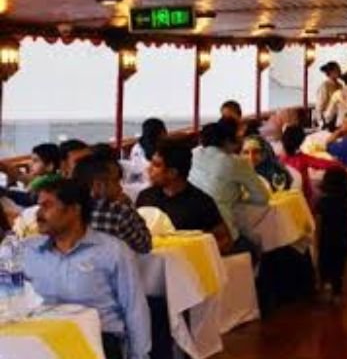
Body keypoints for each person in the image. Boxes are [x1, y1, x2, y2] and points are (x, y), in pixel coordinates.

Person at [24, 179, 150, 359]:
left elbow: (134, 307)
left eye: (47, 206)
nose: (39, 214)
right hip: (42, 340)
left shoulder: (112, 250)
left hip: (98, 340)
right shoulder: (29, 251)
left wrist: (140, 355)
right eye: (38, 206)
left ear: (75, 210)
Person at [137, 139, 234, 251]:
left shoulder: (200, 202)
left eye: (156, 165)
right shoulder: (145, 197)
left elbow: (225, 240)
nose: (149, 169)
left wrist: (193, 251)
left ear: (172, 173)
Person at [189, 120, 270, 243]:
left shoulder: (193, 154)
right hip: (221, 232)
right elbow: (262, 197)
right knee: (255, 242)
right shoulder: (234, 162)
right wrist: (240, 198)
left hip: (189, 228)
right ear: (227, 141)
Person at [72, 155, 152, 253]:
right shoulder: (118, 211)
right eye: (116, 181)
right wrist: (130, 206)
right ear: (97, 185)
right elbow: (144, 245)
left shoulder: (69, 210)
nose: (120, 188)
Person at [315, 167, 347, 299]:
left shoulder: (322, 202)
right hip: (343, 237)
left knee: (324, 262)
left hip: (326, 238)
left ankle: (324, 285)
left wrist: (316, 239)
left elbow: (318, 223)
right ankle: (337, 292)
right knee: (339, 266)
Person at [280, 126, 343, 201]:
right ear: (302, 141)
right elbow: (323, 164)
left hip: (287, 196)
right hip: (304, 198)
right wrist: (338, 163)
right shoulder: (303, 159)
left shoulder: (280, 159)